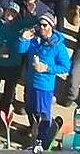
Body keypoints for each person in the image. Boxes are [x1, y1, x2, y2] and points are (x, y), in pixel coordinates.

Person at [17, 13, 72, 150]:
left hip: (44, 86)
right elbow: (21, 50)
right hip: (30, 82)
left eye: (45, 25)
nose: (41, 28)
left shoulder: (58, 46)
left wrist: (47, 68)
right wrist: (23, 39)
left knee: (43, 114)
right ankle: (33, 129)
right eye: (40, 25)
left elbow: (66, 66)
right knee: (29, 109)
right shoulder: (35, 40)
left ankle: (41, 140)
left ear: (51, 27)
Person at [0, 0, 29, 115]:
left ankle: (3, 113)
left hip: (13, 65)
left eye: (14, 12)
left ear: (17, 15)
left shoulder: (20, 29)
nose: (11, 14)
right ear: (5, 11)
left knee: (9, 92)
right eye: (9, 11)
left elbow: (24, 47)